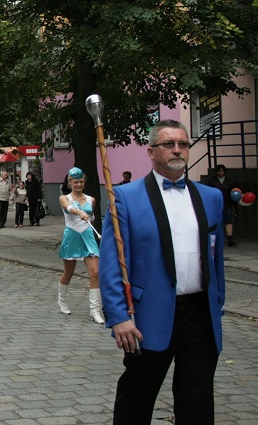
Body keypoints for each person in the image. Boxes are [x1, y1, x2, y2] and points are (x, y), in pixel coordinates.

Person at [100, 119, 226, 424]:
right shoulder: (126, 198)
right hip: (149, 315)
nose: (177, 150)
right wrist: (118, 317)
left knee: (197, 397)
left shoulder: (211, 197)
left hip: (199, 314)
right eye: (168, 144)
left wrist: (217, 301)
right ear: (151, 151)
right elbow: (113, 263)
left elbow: (216, 255)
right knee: (137, 396)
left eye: (183, 144)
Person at [56, 167, 103, 323]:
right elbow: (67, 208)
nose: (79, 185)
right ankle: (62, 301)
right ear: (70, 182)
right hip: (72, 236)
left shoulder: (91, 199)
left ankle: (95, 311)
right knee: (68, 273)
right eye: (76, 182)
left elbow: (93, 218)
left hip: (88, 236)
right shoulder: (65, 198)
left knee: (95, 272)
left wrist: (89, 219)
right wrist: (79, 212)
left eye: (81, 182)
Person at [206, 164, 238, 247]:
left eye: (221, 171)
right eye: (218, 171)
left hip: (227, 203)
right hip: (216, 204)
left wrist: (235, 204)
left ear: (224, 172)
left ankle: (230, 239)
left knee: (228, 220)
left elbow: (233, 193)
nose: (220, 173)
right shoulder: (212, 181)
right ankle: (217, 238)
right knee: (217, 221)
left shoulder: (229, 181)